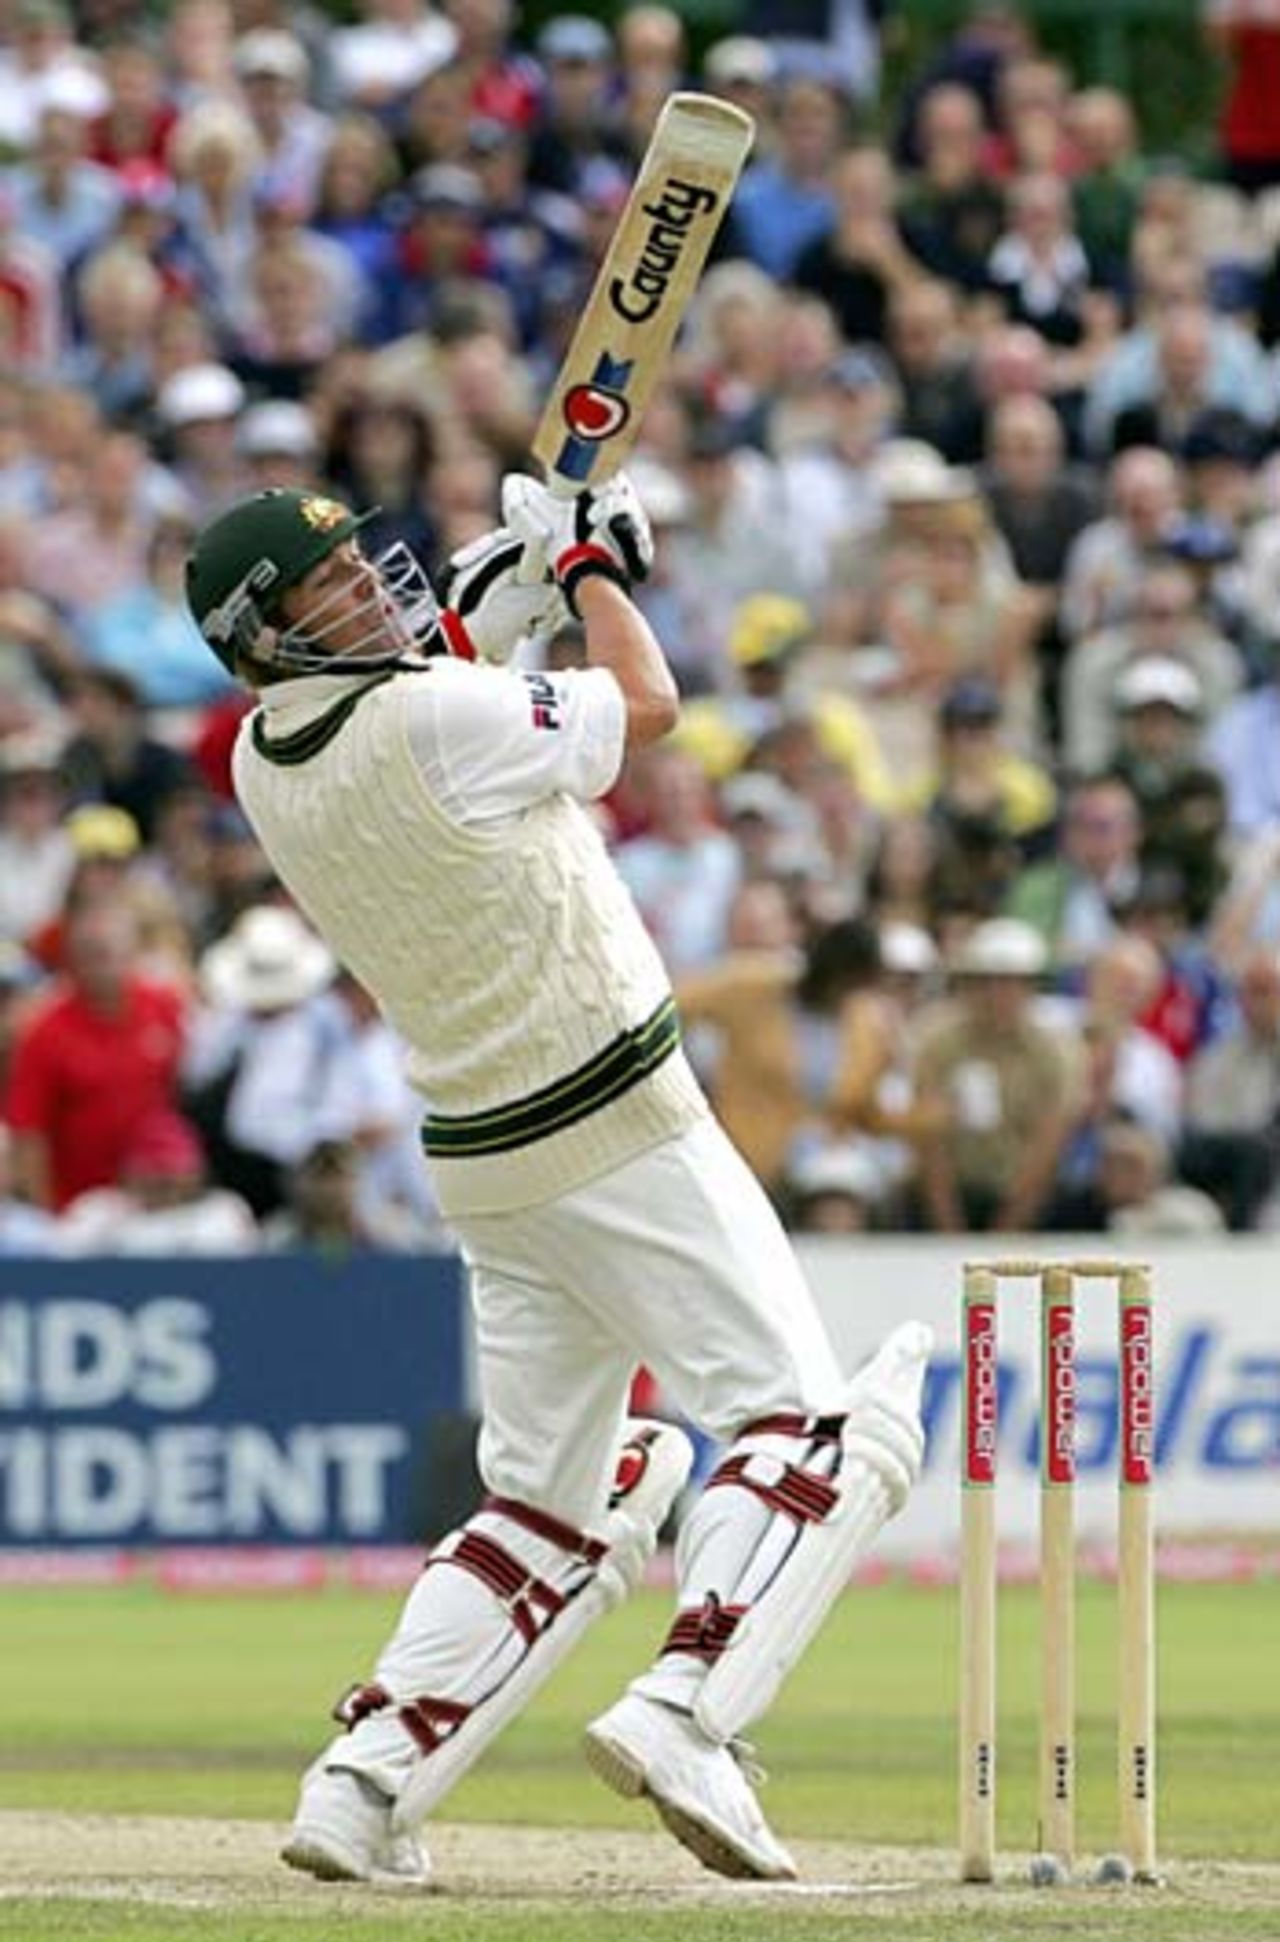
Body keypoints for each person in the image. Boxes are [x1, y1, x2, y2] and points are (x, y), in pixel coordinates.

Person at [183, 477, 930, 1887]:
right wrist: (586, 571)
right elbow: (641, 709)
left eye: (360, 562)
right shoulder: (430, 716)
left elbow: (441, 709)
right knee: (823, 1428)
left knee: (549, 1500)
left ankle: (368, 1776)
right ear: (263, 635)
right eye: (327, 584)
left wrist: (505, 590)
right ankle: (690, 1710)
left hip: (486, 1157)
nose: (366, 585)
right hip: (622, 1123)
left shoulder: (262, 762)